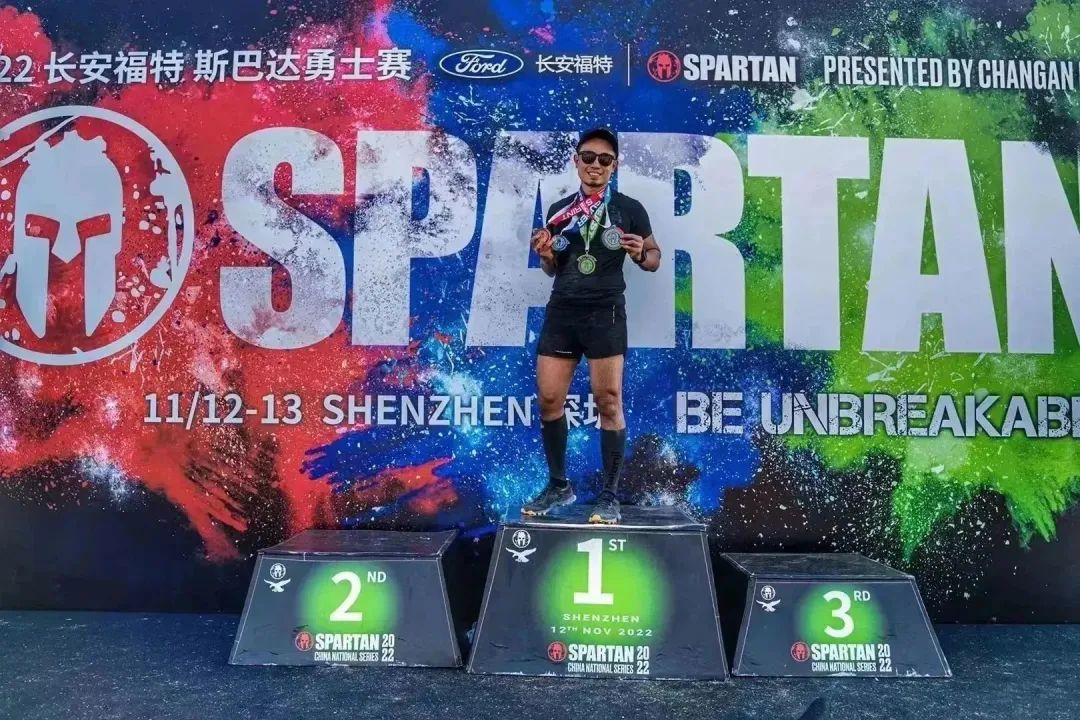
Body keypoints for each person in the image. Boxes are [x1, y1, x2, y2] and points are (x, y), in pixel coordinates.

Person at [520, 127, 662, 524]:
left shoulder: (629, 209)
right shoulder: (559, 212)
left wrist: (640, 253)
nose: (595, 165)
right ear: (576, 161)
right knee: (549, 401)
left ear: (614, 166)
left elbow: (654, 258)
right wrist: (546, 255)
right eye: (588, 157)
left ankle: (609, 496)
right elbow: (552, 269)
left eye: (604, 159)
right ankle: (558, 485)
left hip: (605, 313)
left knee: (608, 402)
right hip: (563, 312)